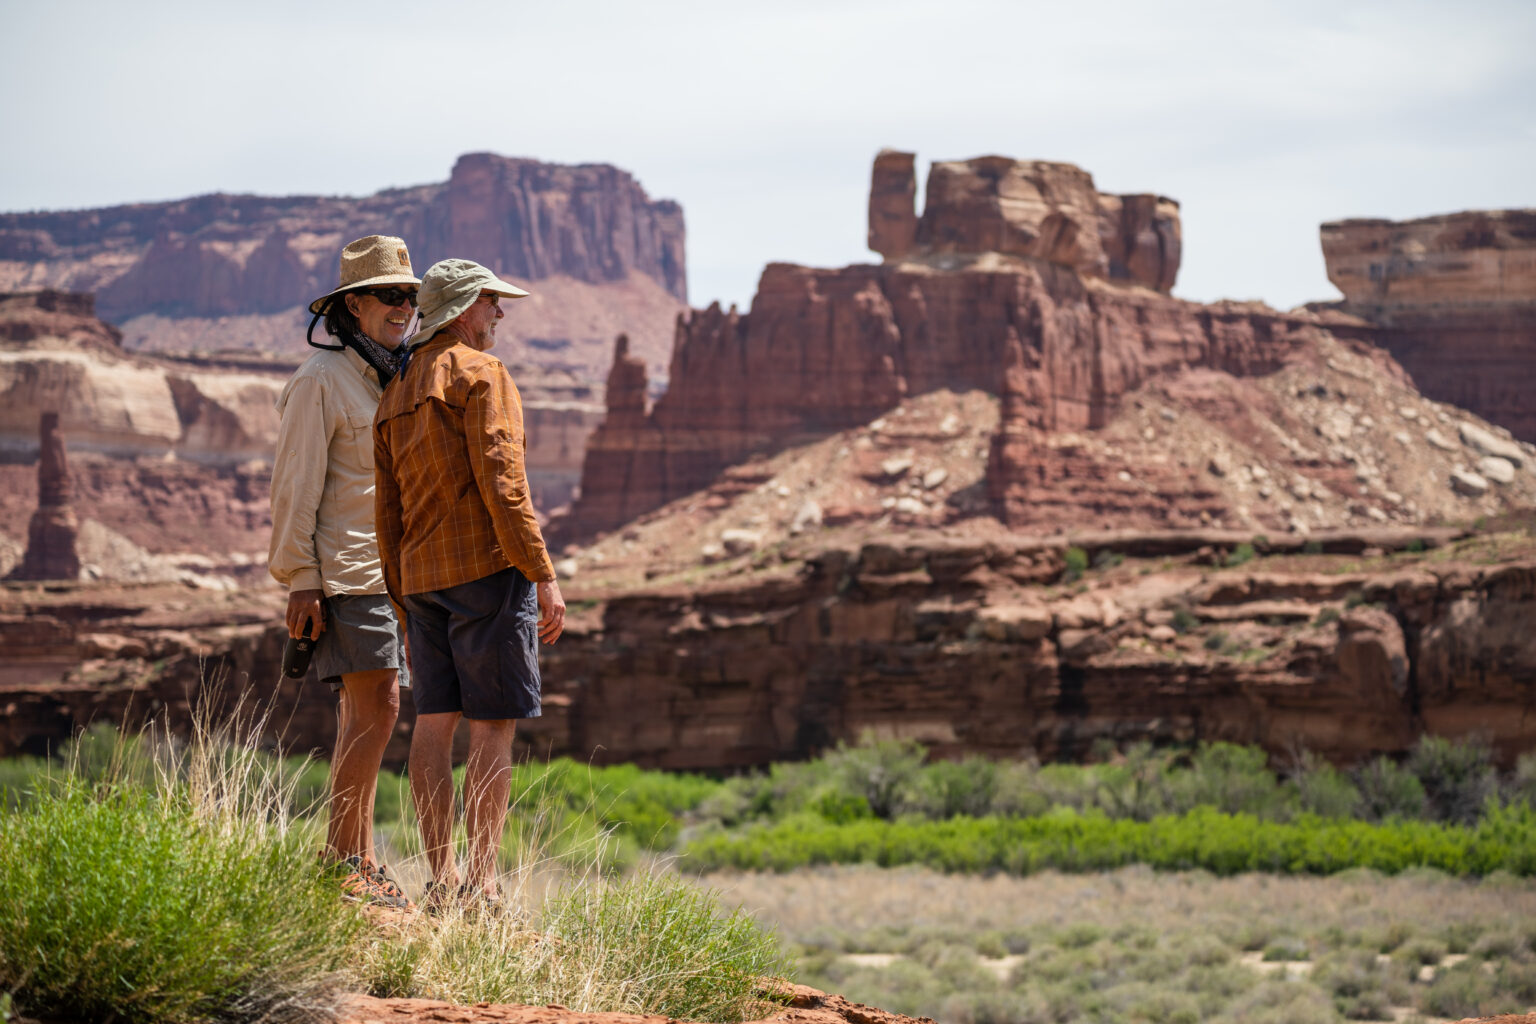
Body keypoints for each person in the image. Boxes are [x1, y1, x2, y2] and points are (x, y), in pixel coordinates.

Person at [373, 258, 566, 914]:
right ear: (461, 310)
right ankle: (484, 887)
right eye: (491, 303)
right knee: (493, 727)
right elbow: (504, 482)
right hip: (487, 572)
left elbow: (387, 510)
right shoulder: (483, 374)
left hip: (423, 580)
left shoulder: (394, 395)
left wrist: (403, 593)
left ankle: (441, 878)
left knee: (433, 723)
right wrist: (542, 574)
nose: (499, 315)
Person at [268, 234, 419, 909]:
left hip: (392, 577)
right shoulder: (319, 383)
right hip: (348, 574)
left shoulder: (390, 376)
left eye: (410, 296)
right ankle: (343, 861)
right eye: (390, 295)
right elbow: (296, 487)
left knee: (364, 712)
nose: (403, 306)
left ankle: (354, 859)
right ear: (353, 304)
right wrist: (300, 576)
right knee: (380, 706)